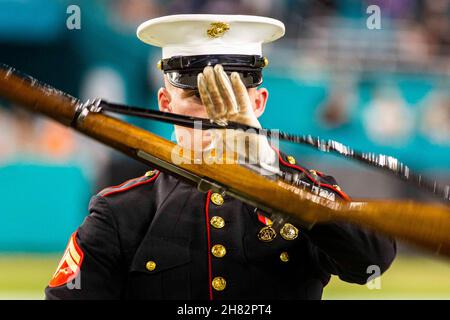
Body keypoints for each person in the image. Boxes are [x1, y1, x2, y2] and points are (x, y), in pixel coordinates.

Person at [45, 14, 396, 300]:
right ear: (165, 105)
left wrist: (274, 177)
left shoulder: (306, 191)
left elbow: (373, 261)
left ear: (258, 105)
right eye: (200, 97)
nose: (216, 117)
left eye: (233, 100)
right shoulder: (121, 211)